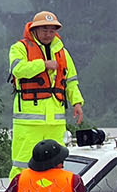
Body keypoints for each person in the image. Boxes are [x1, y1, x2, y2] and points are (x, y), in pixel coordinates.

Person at [8, 11, 85, 179]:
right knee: (23, 164)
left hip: (55, 123)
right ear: (34, 29)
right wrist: (43, 65)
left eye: (52, 30)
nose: (48, 34)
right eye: (44, 30)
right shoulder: (19, 48)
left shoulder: (63, 52)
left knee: (55, 165)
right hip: (28, 124)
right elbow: (18, 70)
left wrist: (77, 103)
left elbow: (71, 80)